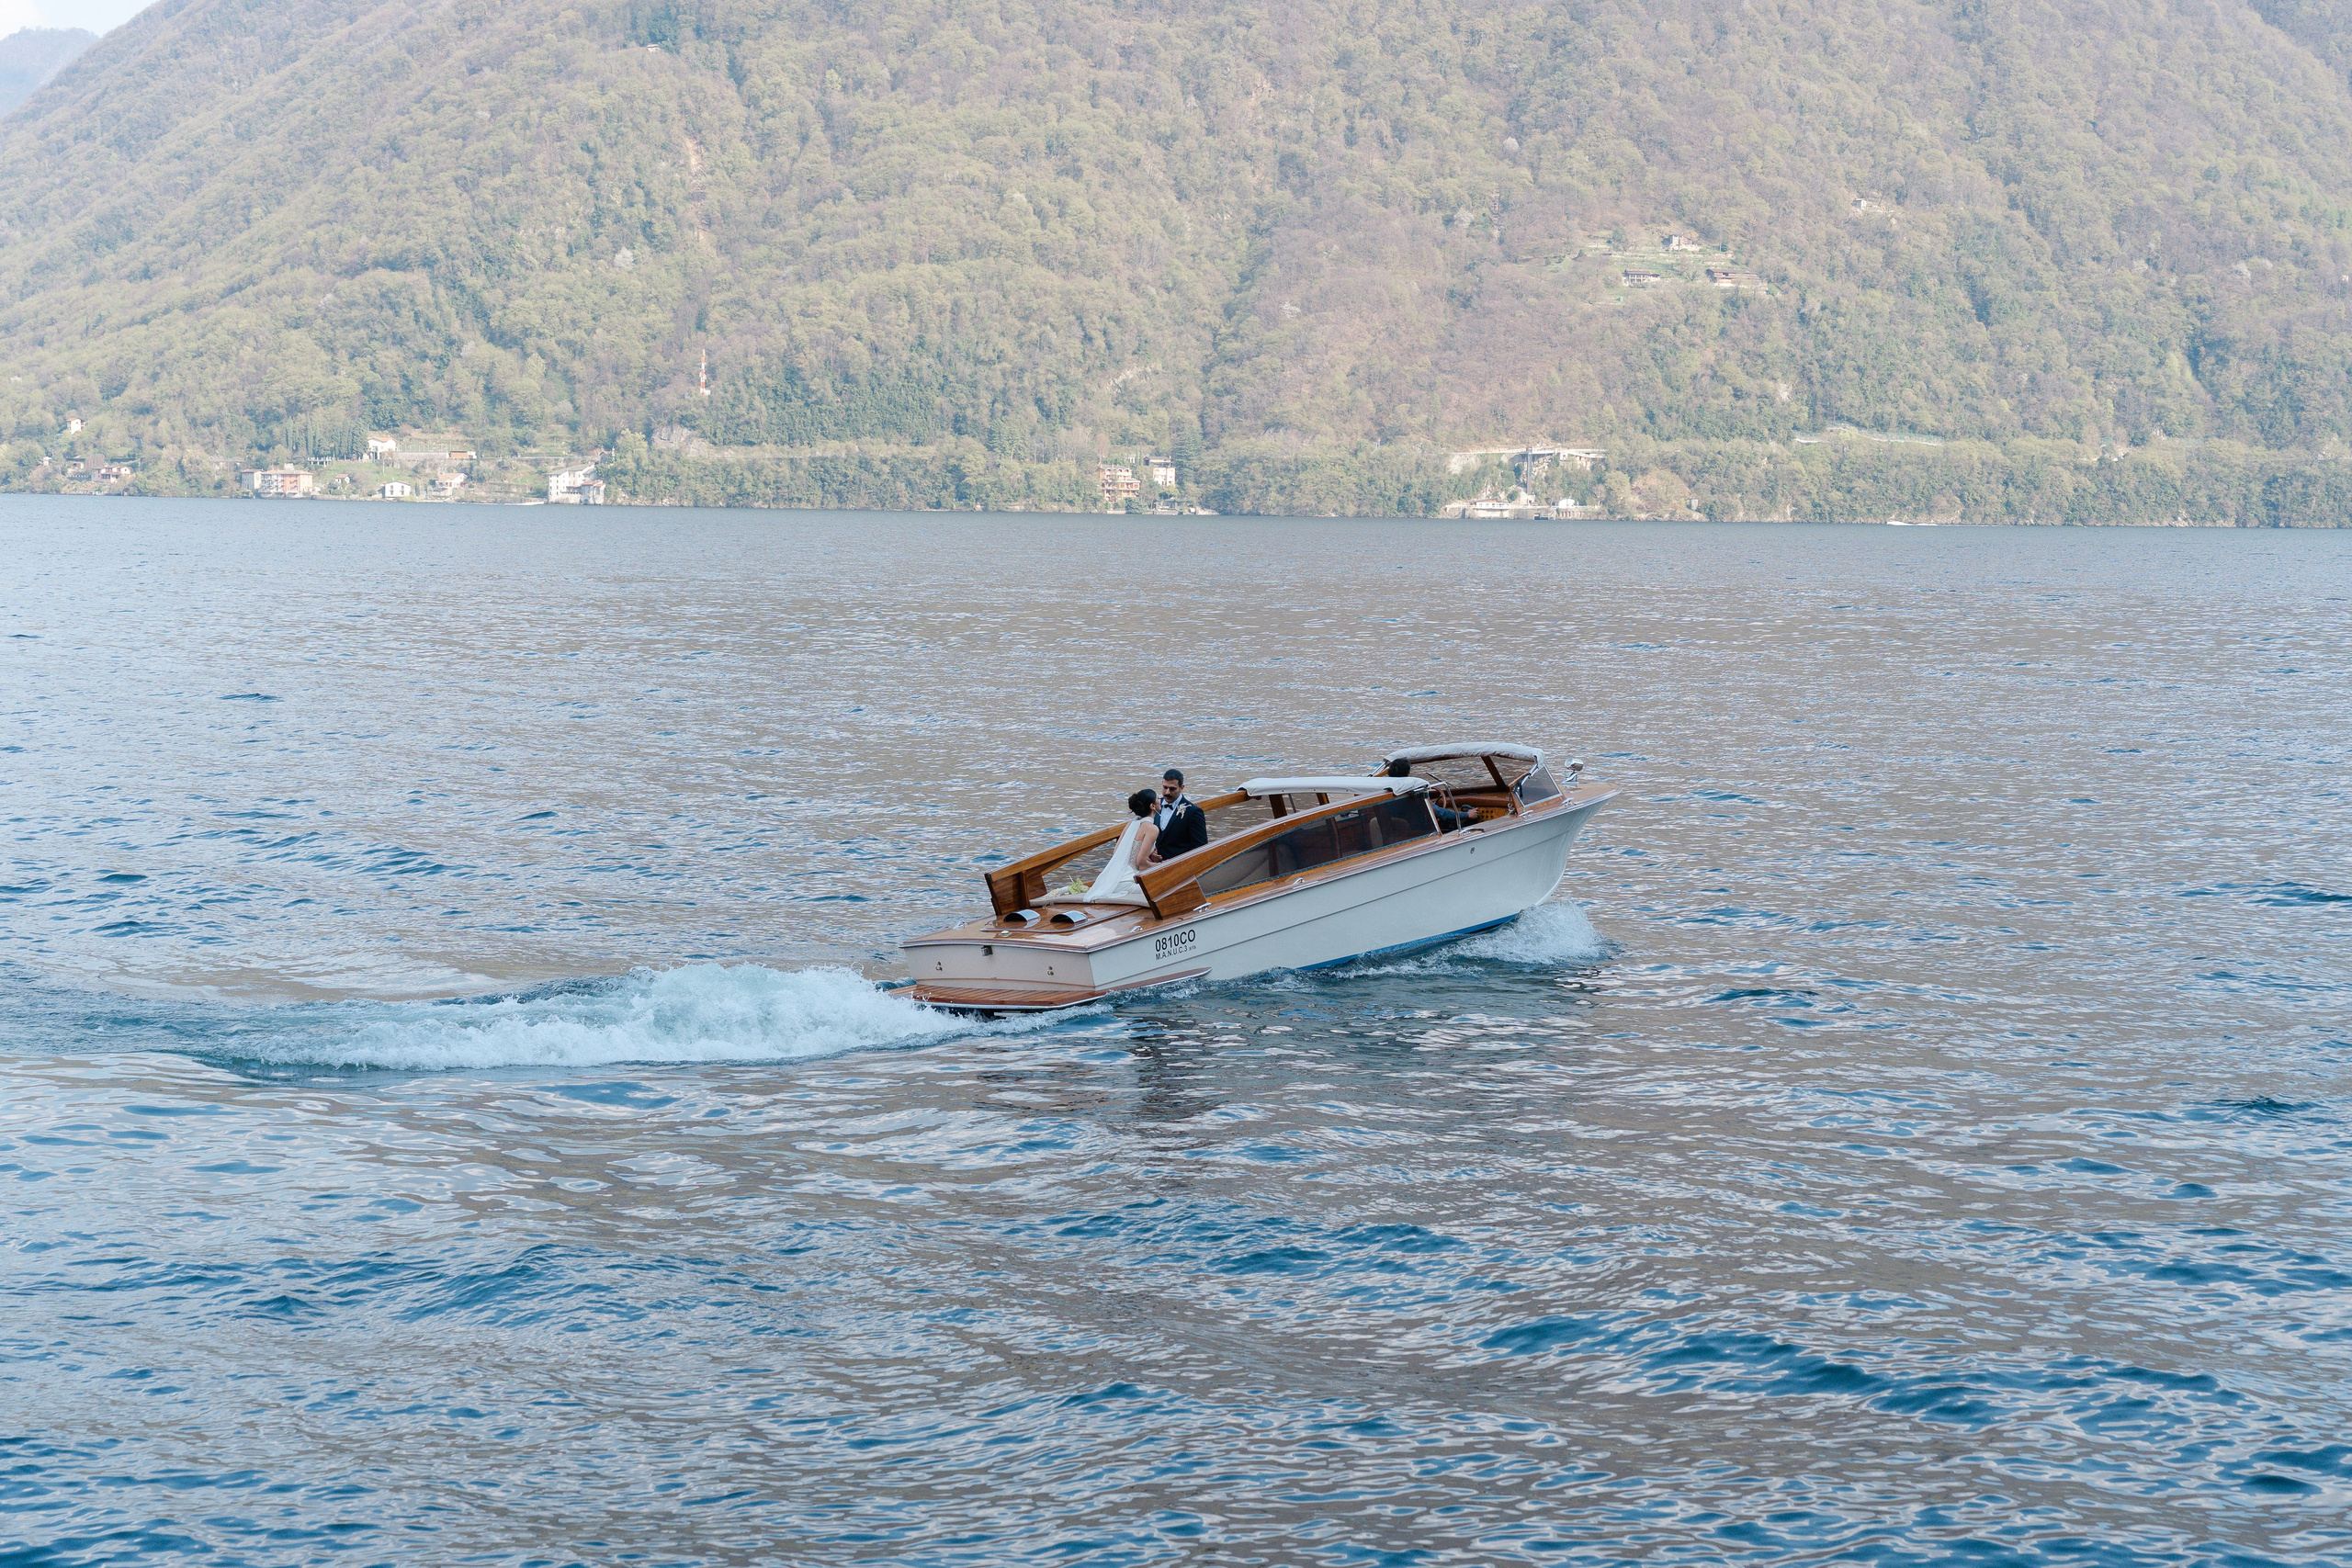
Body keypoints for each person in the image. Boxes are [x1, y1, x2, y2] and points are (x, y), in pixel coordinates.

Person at [1083, 788, 1162, 904]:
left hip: (1112, 880)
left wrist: (1150, 854)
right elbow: (1140, 861)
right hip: (1127, 882)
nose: (1160, 800)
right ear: (1152, 806)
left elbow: (1117, 851)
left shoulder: (1130, 824)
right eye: (1158, 798)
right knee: (1162, 889)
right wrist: (1160, 866)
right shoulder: (1152, 828)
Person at [1387, 758, 1471, 830]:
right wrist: (1467, 815)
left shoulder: (1387, 792)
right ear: (1408, 773)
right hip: (1420, 832)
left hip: (1397, 832)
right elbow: (1440, 813)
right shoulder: (1415, 793)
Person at [1151, 768, 1208, 862]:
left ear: (1182, 788)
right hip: (1154, 864)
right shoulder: (1155, 805)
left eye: (1172, 789)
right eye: (1165, 787)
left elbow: (1200, 846)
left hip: (1179, 865)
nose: (1167, 792)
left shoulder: (1193, 812)